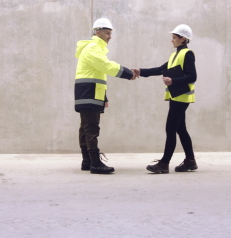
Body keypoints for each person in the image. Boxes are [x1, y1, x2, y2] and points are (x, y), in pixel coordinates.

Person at [133, 24, 198, 174]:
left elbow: (193, 76)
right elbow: (160, 69)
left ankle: (164, 163)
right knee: (180, 129)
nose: (172, 40)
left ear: (183, 39)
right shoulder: (175, 55)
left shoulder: (187, 54)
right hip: (176, 96)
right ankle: (190, 161)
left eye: (174, 38)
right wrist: (140, 71)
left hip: (181, 97)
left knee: (170, 129)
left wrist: (173, 81)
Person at [74, 17, 135, 174]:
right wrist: (128, 73)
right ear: (98, 32)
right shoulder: (92, 48)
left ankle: (87, 161)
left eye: (110, 33)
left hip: (90, 92)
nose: (110, 37)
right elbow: (106, 66)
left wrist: (104, 97)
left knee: (86, 127)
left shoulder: (94, 48)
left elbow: (98, 73)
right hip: (89, 92)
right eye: (107, 33)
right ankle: (95, 163)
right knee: (91, 127)